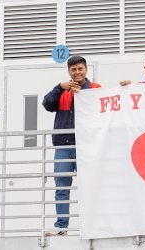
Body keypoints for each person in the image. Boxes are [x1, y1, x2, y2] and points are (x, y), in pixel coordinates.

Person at [42, 56, 101, 235]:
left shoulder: (96, 89)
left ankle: (91, 226)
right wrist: (60, 88)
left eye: (80, 69)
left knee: (90, 186)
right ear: (69, 72)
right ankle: (61, 227)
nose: (77, 73)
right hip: (63, 145)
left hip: (87, 145)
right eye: (73, 70)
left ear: (86, 70)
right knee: (62, 186)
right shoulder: (62, 90)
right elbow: (47, 104)